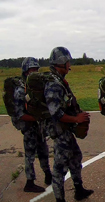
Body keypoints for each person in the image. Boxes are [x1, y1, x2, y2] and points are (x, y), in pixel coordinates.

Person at [43, 47, 94, 202]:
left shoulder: (59, 81)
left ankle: (79, 190)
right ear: (62, 62)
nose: (69, 64)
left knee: (76, 157)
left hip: (66, 131)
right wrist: (76, 119)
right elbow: (55, 113)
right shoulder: (54, 84)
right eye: (68, 61)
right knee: (59, 169)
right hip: (60, 132)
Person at [11, 57, 51, 193]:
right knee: (30, 155)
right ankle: (29, 182)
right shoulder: (20, 90)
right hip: (29, 127)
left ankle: (48, 175)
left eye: (36, 69)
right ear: (25, 71)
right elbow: (20, 114)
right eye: (31, 70)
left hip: (38, 126)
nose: (34, 72)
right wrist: (36, 118)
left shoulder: (35, 87)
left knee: (43, 151)